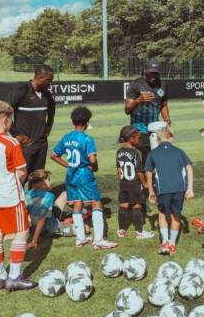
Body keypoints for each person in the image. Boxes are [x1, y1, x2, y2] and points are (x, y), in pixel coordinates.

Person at [50, 105, 118, 251]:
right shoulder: (87, 139)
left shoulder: (66, 137)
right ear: (87, 123)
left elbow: (53, 155)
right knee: (96, 203)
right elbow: (92, 159)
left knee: (77, 204)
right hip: (84, 175)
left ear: (72, 121)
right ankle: (99, 240)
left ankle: (80, 238)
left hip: (71, 176)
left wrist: (68, 165)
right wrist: (94, 167)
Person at [0, 100, 37, 291]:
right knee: (22, 231)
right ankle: (14, 276)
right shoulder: (11, 142)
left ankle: (0, 277)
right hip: (9, 196)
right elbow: (22, 172)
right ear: (5, 120)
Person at [145, 127, 194, 256]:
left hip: (163, 189)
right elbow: (189, 168)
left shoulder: (152, 153)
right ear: (171, 138)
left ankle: (165, 242)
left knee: (162, 213)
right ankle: (172, 245)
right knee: (176, 216)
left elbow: (149, 173)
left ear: (157, 140)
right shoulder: (179, 151)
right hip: (179, 189)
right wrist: (190, 188)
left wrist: (150, 191)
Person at [7, 64, 55, 177]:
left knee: (38, 176)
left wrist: (49, 125)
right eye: (48, 80)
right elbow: (3, 111)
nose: (50, 83)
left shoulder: (47, 94)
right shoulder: (21, 90)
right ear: (39, 77)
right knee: (22, 176)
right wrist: (16, 134)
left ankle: (36, 190)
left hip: (42, 144)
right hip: (26, 144)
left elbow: (52, 110)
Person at [124, 61, 171, 170]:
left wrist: (167, 122)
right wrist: (139, 100)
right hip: (139, 131)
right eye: (151, 73)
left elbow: (163, 105)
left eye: (156, 73)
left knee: (156, 161)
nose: (153, 76)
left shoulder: (162, 85)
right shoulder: (135, 85)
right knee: (142, 163)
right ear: (145, 71)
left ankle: (152, 179)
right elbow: (127, 110)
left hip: (156, 130)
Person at [116, 126, 154, 240]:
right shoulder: (136, 152)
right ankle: (139, 232)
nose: (139, 140)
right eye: (137, 138)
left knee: (123, 205)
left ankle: (121, 230)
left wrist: (121, 182)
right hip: (135, 184)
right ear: (131, 139)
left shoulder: (119, 151)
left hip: (124, 183)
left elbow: (119, 170)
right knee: (137, 206)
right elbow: (139, 172)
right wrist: (145, 183)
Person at [25, 169, 70, 248]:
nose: (50, 182)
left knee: (65, 194)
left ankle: (77, 213)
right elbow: (42, 220)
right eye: (49, 180)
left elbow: (25, 214)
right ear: (43, 182)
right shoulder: (48, 196)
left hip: (35, 226)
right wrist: (34, 241)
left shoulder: (28, 194)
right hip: (50, 228)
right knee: (84, 229)